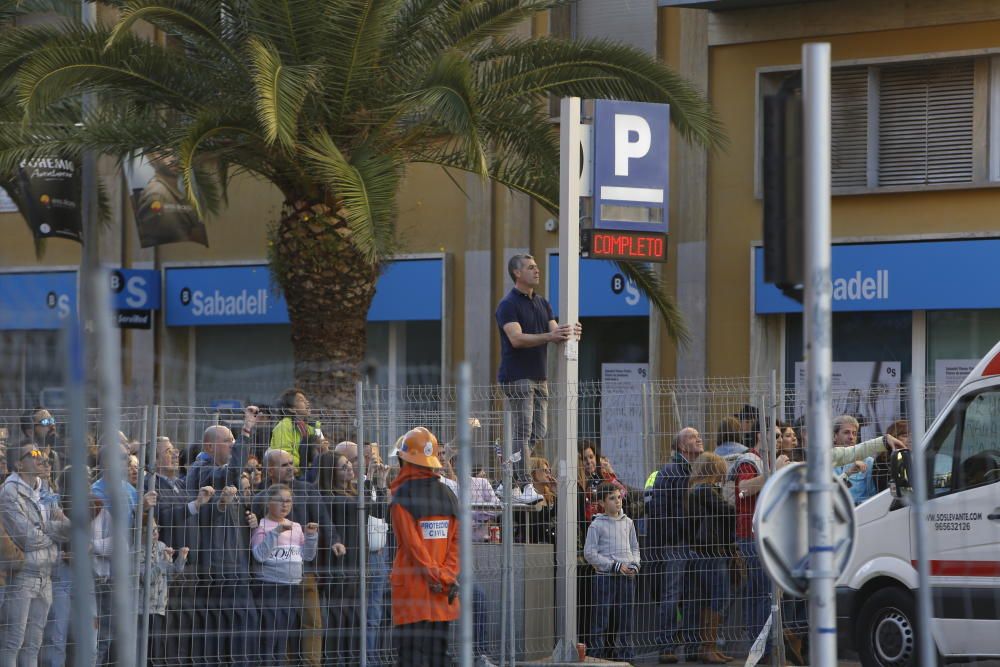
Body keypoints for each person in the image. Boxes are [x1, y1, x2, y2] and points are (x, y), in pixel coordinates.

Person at [251, 448, 340, 667]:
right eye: (284, 465)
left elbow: (324, 520)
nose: (291, 468)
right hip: (271, 577)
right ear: (270, 469)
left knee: (313, 621)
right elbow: (252, 534)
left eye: (292, 463)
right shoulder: (260, 496)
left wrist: (335, 540)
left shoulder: (307, 490)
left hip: (305, 569)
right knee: (280, 627)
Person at [496, 253, 581, 479]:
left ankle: (510, 465)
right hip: (517, 377)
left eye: (536, 267)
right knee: (523, 431)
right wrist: (549, 335)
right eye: (531, 267)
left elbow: (556, 331)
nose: (537, 271)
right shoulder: (508, 305)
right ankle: (522, 482)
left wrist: (571, 332)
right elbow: (516, 339)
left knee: (539, 431)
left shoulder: (542, 303)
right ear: (517, 273)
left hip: (539, 378)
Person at [184, 425, 258, 666]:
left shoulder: (217, 470)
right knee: (234, 626)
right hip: (218, 564)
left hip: (233, 562)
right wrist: (246, 431)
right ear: (209, 446)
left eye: (234, 439)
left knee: (237, 626)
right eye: (228, 441)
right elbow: (231, 474)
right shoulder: (201, 472)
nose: (233, 444)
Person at [388, 427, 460, 666]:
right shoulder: (449, 495)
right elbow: (456, 545)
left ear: (404, 459)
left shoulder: (402, 498)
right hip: (442, 591)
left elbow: (413, 548)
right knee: (439, 655)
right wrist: (446, 576)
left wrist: (434, 575)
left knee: (411, 656)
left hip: (413, 589)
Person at [0, 442, 70, 667]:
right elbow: (27, 538)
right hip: (22, 576)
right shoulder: (9, 492)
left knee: (34, 644)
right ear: (19, 464)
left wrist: (44, 528)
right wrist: (51, 531)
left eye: (43, 453)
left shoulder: (45, 489)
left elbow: (67, 528)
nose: (42, 458)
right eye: (34, 454)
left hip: (46, 574)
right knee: (13, 641)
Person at [646, 427, 703, 664]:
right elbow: (657, 509)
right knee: (672, 594)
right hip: (676, 543)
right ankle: (666, 646)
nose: (699, 439)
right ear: (681, 446)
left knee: (691, 595)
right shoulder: (670, 471)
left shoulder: (694, 470)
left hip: (689, 541)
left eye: (699, 435)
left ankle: (690, 645)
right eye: (692, 437)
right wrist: (674, 536)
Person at [251, 484, 319, 666]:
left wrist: (311, 536)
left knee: (283, 636)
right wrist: (276, 533)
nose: (285, 505)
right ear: (268, 502)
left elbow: (307, 555)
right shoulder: (262, 525)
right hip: (270, 587)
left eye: (288, 501)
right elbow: (259, 555)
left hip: (292, 588)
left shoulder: (296, 526)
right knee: (269, 637)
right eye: (280, 500)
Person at [686, 453, 736, 664]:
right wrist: (738, 499)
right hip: (711, 551)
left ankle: (709, 646)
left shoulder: (698, 490)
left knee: (711, 598)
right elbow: (727, 512)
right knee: (720, 597)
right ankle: (708, 647)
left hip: (706, 550)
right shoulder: (706, 490)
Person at [583, 482, 640, 662]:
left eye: (619, 497)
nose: (618, 502)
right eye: (612, 498)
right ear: (601, 503)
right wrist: (613, 565)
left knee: (626, 618)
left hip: (627, 578)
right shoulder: (597, 525)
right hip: (605, 578)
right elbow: (589, 553)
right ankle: (597, 655)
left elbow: (635, 548)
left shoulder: (628, 523)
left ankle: (625, 655)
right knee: (601, 618)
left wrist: (635, 565)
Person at [315, 451, 361, 664]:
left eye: (349, 463)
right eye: (343, 466)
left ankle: (350, 658)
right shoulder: (327, 497)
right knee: (336, 615)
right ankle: (334, 659)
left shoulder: (351, 493)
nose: (350, 467)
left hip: (356, 562)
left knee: (352, 614)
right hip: (338, 563)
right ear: (330, 473)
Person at [138, 516, 189, 666]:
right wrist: (164, 561)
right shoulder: (137, 550)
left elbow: (170, 576)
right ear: (142, 532)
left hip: (159, 607)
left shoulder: (161, 546)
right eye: (151, 530)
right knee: (144, 651)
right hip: (143, 609)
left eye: (157, 529)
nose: (155, 533)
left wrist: (181, 559)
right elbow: (146, 579)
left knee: (157, 651)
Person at [832, 415, 879, 504]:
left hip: (861, 511)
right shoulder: (826, 460)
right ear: (834, 436)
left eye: (854, 433)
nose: (851, 437)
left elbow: (872, 495)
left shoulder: (867, 461)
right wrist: (849, 472)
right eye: (846, 432)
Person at [270, 388, 319, 471]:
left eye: (306, 400)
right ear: (291, 409)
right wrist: (303, 466)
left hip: (310, 470)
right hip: (293, 472)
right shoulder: (284, 426)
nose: (307, 402)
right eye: (301, 400)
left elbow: (322, 448)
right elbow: (284, 454)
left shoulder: (312, 427)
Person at [20, 409, 61, 489]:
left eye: (52, 420)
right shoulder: (22, 455)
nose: (52, 425)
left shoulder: (53, 454)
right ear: (30, 432)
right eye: (45, 422)